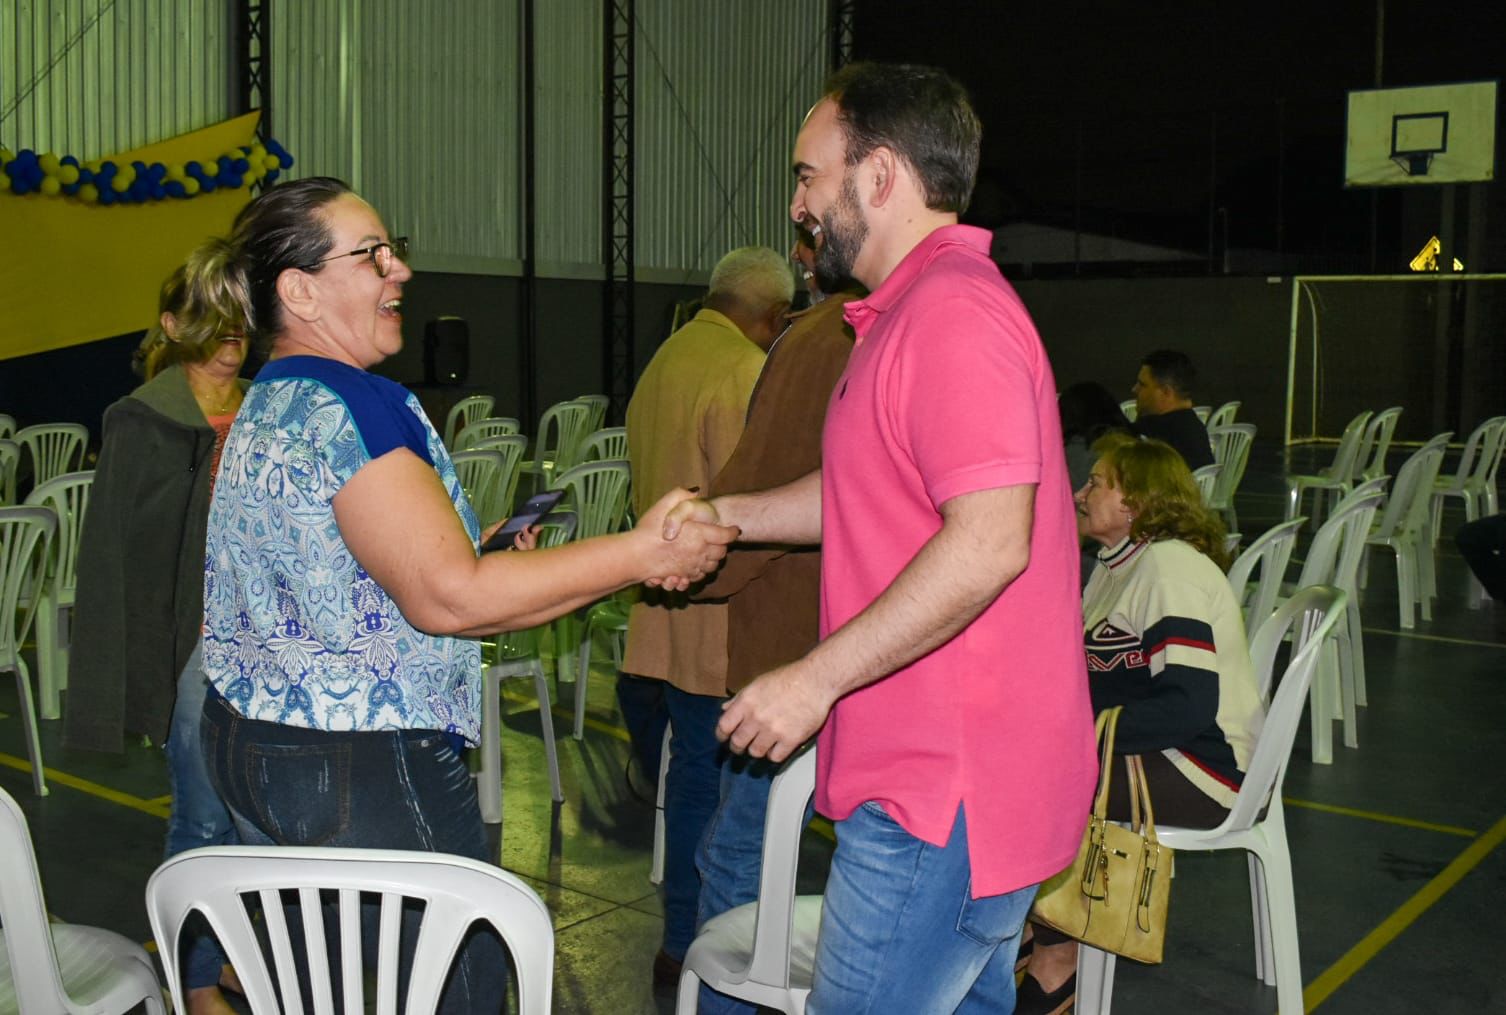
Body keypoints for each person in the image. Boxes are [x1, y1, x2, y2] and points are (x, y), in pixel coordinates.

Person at [188, 176, 735, 1013]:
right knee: (459, 984)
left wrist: (471, 556)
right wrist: (639, 551)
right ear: (298, 290)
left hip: (255, 746)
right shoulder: (360, 403)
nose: (398, 269)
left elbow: (345, 561)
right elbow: (450, 600)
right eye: (371, 254)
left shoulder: (273, 397)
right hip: (362, 764)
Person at [663, 62, 1097, 1012]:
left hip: (947, 792)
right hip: (944, 783)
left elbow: (989, 543)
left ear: (882, 175)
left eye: (810, 175)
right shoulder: (901, 317)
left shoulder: (952, 316)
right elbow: (861, 493)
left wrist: (812, 677)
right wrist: (727, 516)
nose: (799, 202)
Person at [1017, 433, 1264, 1014]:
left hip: (1209, 770)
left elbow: (1186, 708)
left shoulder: (1166, 568)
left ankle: (1058, 960)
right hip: (1179, 751)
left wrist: (1073, 736)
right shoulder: (1117, 565)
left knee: (1045, 780)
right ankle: (1035, 927)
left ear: (1137, 502)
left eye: (1096, 482)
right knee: (1021, 759)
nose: (1080, 493)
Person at [65, 260, 250, 1015]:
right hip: (193, 650)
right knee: (202, 815)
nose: (232, 337)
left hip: (271, 644)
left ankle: (233, 954)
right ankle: (193, 977)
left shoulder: (268, 409)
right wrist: (114, 680)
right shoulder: (141, 419)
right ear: (172, 327)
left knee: (257, 820)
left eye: (239, 317)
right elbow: (108, 558)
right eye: (212, 319)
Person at [691, 224, 859, 1015]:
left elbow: (776, 473)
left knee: (743, 851)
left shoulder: (819, 339)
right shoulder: (881, 329)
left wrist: (697, 560)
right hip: (852, 636)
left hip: (791, 635)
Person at [619, 244, 793, 986]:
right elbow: (746, 510)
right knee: (727, 793)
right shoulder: (742, 369)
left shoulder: (661, 360)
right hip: (722, 618)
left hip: (664, 609)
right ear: (772, 317)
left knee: (691, 775)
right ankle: (707, 945)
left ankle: (680, 935)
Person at [1060, 381, 1134, 586]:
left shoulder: (1075, 453)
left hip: (1095, 555)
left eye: (1093, 484)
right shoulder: (1137, 445)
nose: (1080, 495)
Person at [1130, 349, 1214, 469]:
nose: (1134, 389)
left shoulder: (1153, 433)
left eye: (1142, 385)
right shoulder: (1195, 429)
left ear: (1166, 392)